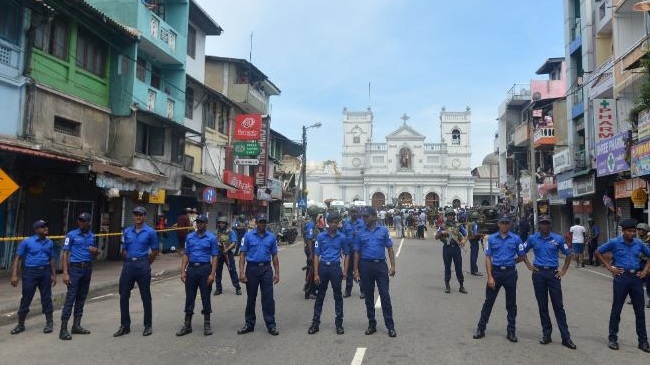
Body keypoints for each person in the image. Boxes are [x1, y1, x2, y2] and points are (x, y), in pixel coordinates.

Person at [520, 215, 577, 349]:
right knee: (542, 305)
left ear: (550, 225)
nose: (545, 226)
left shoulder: (557, 239)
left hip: (553, 275)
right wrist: (528, 265)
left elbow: (568, 254)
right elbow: (522, 250)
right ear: (539, 225)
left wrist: (563, 271)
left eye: (547, 224)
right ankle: (547, 334)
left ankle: (566, 337)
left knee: (558, 306)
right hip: (538, 274)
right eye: (542, 224)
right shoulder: (532, 238)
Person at [595, 218, 650, 352]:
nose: (633, 233)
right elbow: (598, 251)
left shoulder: (639, 243)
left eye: (634, 231)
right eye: (630, 231)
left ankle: (643, 342)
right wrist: (609, 267)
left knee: (640, 312)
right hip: (621, 277)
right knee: (616, 309)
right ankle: (613, 338)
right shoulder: (614, 242)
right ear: (623, 231)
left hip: (636, 278)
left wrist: (645, 271)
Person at [473, 215, 523, 342]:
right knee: (488, 302)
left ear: (510, 225)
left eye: (507, 223)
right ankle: (481, 328)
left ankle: (511, 331)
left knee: (511, 304)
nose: (505, 225)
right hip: (496, 273)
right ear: (499, 224)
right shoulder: (492, 239)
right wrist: (490, 276)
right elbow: (488, 258)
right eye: (502, 223)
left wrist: (510, 262)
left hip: (510, 274)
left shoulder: (516, 239)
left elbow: (522, 256)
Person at [113, 206, 159, 337]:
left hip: (142, 264)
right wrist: (128, 259)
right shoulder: (127, 231)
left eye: (141, 215)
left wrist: (145, 263)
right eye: (136, 215)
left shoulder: (150, 232)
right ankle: (124, 325)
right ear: (133, 216)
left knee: (145, 296)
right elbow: (124, 249)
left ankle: (148, 325)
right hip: (128, 265)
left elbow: (155, 250)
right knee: (123, 296)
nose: (138, 217)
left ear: (145, 216)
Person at [353, 207, 397, 338]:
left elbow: (390, 249)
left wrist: (393, 266)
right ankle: (372, 324)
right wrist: (355, 271)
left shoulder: (383, 231)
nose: (363, 219)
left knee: (385, 296)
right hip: (366, 266)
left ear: (373, 217)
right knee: (369, 297)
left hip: (380, 267)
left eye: (366, 217)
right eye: (363, 217)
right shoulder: (360, 233)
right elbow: (356, 253)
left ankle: (390, 326)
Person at [10, 219, 57, 335]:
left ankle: (49, 323)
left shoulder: (50, 243)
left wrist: (54, 275)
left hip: (45, 272)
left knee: (46, 298)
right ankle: (20, 324)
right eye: (43, 227)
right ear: (36, 230)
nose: (46, 228)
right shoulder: (27, 242)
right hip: (30, 273)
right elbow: (18, 258)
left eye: (46, 226)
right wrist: (14, 275)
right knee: (26, 298)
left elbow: (51, 259)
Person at [237, 214, 280, 336]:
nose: (262, 224)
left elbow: (275, 256)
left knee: (268, 298)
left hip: (266, 269)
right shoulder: (248, 236)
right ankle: (249, 324)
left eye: (264, 222)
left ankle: (271, 325)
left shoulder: (271, 237)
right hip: (252, 269)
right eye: (260, 222)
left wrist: (277, 273)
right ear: (256, 223)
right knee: (251, 298)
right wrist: (241, 272)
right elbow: (242, 255)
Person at [175, 214, 218, 337]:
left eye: (201, 222)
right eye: (197, 222)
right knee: (190, 297)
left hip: (205, 269)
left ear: (206, 224)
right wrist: (183, 271)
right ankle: (187, 325)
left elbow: (215, 256)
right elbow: (186, 254)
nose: (199, 224)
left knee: (205, 297)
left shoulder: (211, 238)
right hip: (192, 269)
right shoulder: (189, 237)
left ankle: (207, 324)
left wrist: (212, 274)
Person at [59, 212, 99, 340]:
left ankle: (76, 325)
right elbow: (65, 254)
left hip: (87, 268)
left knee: (82, 297)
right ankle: (63, 329)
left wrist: (96, 252)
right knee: (70, 298)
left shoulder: (92, 236)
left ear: (89, 222)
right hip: (75, 269)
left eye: (84, 221)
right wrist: (65, 273)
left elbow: (96, 253)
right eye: (79, 220)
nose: (81, 223)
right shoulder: (71, 235)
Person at [308, 212, 349, 335]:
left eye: (336, 223)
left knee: (338, 296)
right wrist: (316, 273)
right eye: (332, 222)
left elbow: (347, 254)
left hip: (335, 268)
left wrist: (345, 271)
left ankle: (339, 324)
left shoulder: (342, 237)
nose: (334, 225)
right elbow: (316, 255)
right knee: (320, 296)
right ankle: (315, 323)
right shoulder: (321, 237)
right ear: (327, 223)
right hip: (323, 268)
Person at [436, 209, 468, 294]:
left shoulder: (458, 225)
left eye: (452, 215)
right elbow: (436, 236)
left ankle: (461, 286)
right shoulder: (442, 226)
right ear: (446, 216)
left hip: (456, 248)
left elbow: (466, 234)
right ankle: (447, 285)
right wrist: (442, 232)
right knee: (447, 267)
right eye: (449, 215)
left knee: (459, 268)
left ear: (454, 216)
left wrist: (464, 241)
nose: (450, 216)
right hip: (447, 248)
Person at [214, 216, 242, 296]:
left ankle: (237, 288)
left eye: (223, 223)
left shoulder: (230, 232)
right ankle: (218, 289)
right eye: (219, 223)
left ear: (226, 224)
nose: (221, 224)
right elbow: (213, 241)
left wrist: (226, 249)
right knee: (218, 271)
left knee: (232, 270)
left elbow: (234, 242)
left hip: (228, 253)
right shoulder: (216, 232)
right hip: (219, 253)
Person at [303, 213, 319, 299]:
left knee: (311, 269)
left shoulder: (313, 224)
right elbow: (309, 239)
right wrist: (311, 254)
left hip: (313, 248)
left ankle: (311, 290)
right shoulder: (311, 224)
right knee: (312, 270)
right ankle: (309, 291)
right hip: (311, 249)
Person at [468, 212, 483, 276]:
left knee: (472, 256)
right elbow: (475, 233)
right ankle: (475, 271)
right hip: (474, 240)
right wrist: (481, 234)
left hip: (471, 240)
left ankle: (473, 270)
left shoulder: (470, 224)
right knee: (474, 256)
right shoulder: (475, 224)